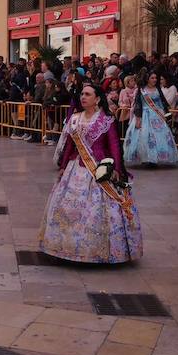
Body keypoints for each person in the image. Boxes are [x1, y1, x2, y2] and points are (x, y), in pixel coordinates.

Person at [40, 83, 142, 264]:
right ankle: (66, 246)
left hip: (98, 170)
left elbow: (114, 146)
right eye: (82, 94)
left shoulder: (106, 120)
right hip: (75, 168)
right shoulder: (75, 119)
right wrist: (63, 166)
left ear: (97, 99)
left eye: (87, 94)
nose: (83, 97)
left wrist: (117, 169)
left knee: (97, 210)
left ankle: (98, 251)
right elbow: (70, 145)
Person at [124, 70, 178, 166]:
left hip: (157, 116)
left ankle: (155, 158)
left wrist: (166, 114)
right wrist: (138, 118)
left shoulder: (158, 89)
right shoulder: (142, 90)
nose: (155, 80)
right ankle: (145, 158)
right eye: (152, 78)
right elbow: (138, 104)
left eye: (155, 78)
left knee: (159, 137)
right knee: (144, 136)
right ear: (147, 79)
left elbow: (163, 102)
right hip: (144, 115)